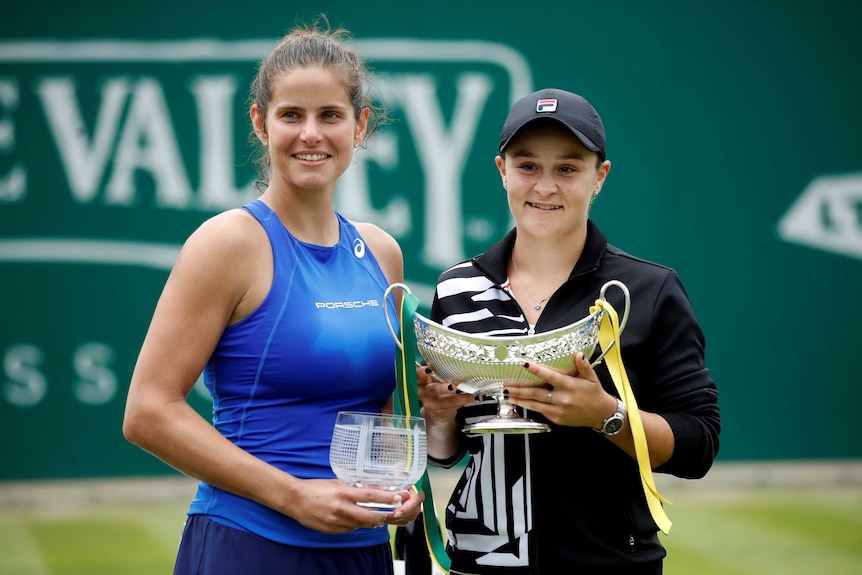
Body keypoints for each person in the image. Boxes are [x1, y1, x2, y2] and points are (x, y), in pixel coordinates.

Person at [122, 19, 423, 575]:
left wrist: (398, 484)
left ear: (360, 126)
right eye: (292, 115)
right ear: (261, 123)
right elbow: (147, 412)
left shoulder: (383, 252)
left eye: (330, 115)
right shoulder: (227, 243)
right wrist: (293, 495)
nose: (312, 134)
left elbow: (385, 415)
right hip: (250, 546)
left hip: (363, 553)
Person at [414, 88, 720, 574]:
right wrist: (440, 415)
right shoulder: (458, 287)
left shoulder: (647, 289)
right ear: (502, 171)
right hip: (481, 562)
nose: (545, 187)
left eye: (568, 168)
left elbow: (698, 444)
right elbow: (448, 456)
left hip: (607, 561)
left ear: (600, 176)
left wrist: (606, 415)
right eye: (528, 166)